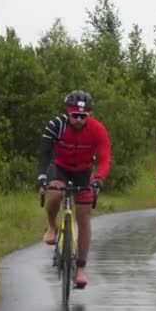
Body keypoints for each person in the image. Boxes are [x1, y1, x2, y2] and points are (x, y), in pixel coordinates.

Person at [36, 90, 111, 287]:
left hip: (84, 171)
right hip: (60, 167)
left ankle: (81, 267)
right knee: (55, 193)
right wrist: (42, 177)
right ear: (67, 113)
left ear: (89, 115)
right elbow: (44, 154)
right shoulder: (56, 126)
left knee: (84, 217)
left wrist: (99, 179)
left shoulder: (97, 129)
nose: (78, 120)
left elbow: (104, 159)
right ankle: (51, 225)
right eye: (74, 116)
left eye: (83, 116)